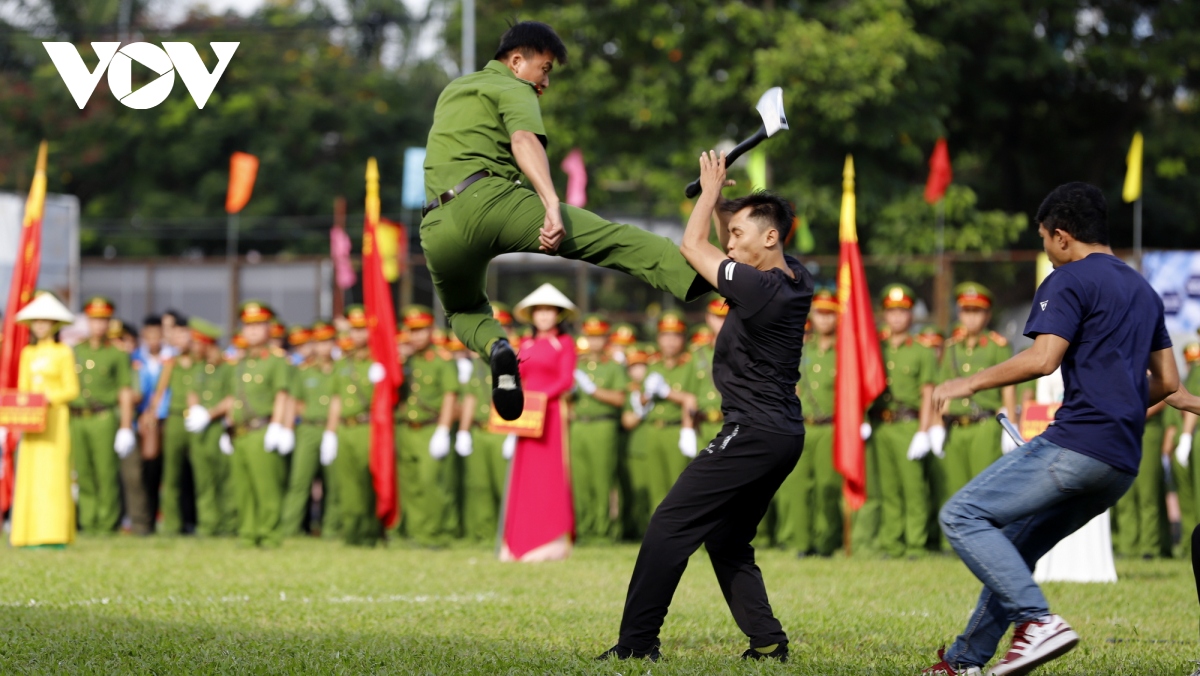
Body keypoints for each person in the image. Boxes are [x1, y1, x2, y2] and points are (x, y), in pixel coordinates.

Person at [924, 183, 1177, 675]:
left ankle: (1037, 622)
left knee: (962, 515)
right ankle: (963, 662)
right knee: (1016, 547)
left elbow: (1043, 360)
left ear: (1061, 236)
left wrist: (970, 381)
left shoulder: (1068, 279)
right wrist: (1122, 404)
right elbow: (1167, 381)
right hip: (1120, 462)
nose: (1046, 249)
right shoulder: (1144, 290)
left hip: (1078, 445)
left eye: (1043, 238)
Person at [420, 21, 709, 422]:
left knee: (463, 312)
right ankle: (704, 274)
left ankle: (498, 349)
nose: (546, 81)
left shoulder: (452, 90)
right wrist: (550, 202)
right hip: (490, 201)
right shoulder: (513, 86)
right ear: (517, 61)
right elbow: (523, 140)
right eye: (546, 68)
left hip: (435, 226)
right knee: (610, 239)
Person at [600, 152, 812, 662]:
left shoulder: (761, 290)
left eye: (740, 233)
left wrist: (712, 193)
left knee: (669, 525)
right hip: (781, 433)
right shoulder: (794, 277)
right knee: (727, 537)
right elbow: (719, 245)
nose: (730, 242)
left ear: (770, 238)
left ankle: (636, 646)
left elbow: (692, 246)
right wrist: (720, 205)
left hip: (754, 430)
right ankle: (767, 641)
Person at [190, 301, 296, 548]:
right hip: (239, 431)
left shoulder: (276, 361)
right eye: (248, 326)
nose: (253, 331)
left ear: (270, 329)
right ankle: (248, 533)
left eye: (258, 325)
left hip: (262, 429)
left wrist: (279, 426)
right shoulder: (237, 363)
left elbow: (282, 395)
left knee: (266, 487)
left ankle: (269, 534)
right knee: (243, 487)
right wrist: (227, 426)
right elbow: (232, 397)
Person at [500, 284, 578, 561]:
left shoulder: (565, 344)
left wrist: (539, 398)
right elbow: (516, 377)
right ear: (532, 315)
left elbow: (565, 379)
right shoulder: (526, 344)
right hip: (527, 417)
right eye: (539, 311)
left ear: (558, 315)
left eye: (549, 311)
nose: (544, 316)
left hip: (552, 415)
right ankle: (517, 540)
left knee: (549, 474)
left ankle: (550, 538)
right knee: (525, 474)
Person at [934, 283, 1016, 531]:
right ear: (959, 313)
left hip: (984, 426)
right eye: (966, 310)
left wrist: (1010, 425)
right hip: (956, 427)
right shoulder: (951, 348)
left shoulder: (996, 346)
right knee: (955, 487)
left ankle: (987, 535)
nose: (971, 317)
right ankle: (956, 538)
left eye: (977, 311)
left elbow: (1008, 388)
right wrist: (937, 427)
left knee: (985, 487)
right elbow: (943, 389)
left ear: (987, 314)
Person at [866, 283, 937, 558]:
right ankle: (891, 542)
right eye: (891, 311)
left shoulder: (921, 350)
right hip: (881, 424)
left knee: (913, 487)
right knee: (888, 488)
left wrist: (924, 430)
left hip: (909, 425)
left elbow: (928, 392)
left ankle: (915, 543)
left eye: (902, 311)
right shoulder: (876, 347)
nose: (897, 317)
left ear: (911, 315)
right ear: (884, 314)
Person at [774, 287, 841, 558]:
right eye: (820, 313)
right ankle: (801, 543)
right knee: (798, 485)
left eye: (829, 314)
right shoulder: (800, 348)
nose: (824, 319)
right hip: (800, 425)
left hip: (830, 427)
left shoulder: (844, 351)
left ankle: (826, 543)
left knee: (827, 485)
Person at [10, 292, 80, 548]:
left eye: (45, 321)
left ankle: (54, 533)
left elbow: (71, 389)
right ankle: (27, 534)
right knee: (30, 472)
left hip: (54, 419)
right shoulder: (28, 353)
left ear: (54, 325)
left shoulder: (63, 352)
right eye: (36, 321)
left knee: (54, 473)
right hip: (32, 421)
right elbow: (22, 388)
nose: (40, 326)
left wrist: (49, 398)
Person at [394, 305, 460, 545]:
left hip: (430, 428)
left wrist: (443, 430)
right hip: (406, 428)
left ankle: (435, 532)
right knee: (410, 483)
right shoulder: (406, 360)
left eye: (421, 330)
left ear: (431, 330)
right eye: (412, 331)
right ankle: (415, 531)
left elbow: (450, 396)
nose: (417, 336)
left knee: (430, 482)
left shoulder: (442, 360)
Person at [70, 296, 135, 535]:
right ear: (87, 321)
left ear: (109, 323)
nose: (98, 325)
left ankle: (107, 522)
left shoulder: (117, 354)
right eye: (94, 320)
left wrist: (126, 427)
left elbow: (125, 392)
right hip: (77, 417)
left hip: (102, 417)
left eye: (103, 320)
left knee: (105, 472)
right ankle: (88, 521)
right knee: (83, 472)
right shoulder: (76, 351)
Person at [570, 314, 629, 543]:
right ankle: (584, 529)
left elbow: (619, 398)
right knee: (580, 480)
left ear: (606, 339)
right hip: (579, 425)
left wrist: (593, 390)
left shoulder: (613, 367)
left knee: (602, 479)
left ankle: (603, 531)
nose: (594, 342)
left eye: (599, 337)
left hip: (603, 424)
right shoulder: (576, 364)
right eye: (590, 337)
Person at [328, 309, 382, 547]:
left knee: (369, 483)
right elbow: (336, 400)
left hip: (368, 428)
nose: (357, 334)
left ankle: (371, 533)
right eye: (354, 328)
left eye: (362, 328)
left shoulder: (378, 361)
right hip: (345, 430)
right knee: (348, 485)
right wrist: (330, 432)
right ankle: (351, 534)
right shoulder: (343, 363)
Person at [639, 311, 698, 517]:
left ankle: (681, 531)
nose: (670, 341)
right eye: (665, 335)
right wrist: (646, 393)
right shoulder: (653, 364)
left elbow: (692, 398)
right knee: (656, 484)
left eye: (676, 336)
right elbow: (642, 400)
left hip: (676, 428)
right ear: (658, 338)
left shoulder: (690, 364)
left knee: (678, 485)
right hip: (653, 428)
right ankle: (657, 533)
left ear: (683, 338)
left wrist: (667, 392)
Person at [282, 321, 339, 537]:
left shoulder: (340, 368)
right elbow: (294, 400)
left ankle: (331, 530)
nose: (323, 347)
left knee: (334, 484)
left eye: (327, 342)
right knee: (299, 482)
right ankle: (290, 529)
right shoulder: (304, 370)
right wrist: (287, 428)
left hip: (334, 430)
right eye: (318, 342)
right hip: (308, 429)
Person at [183, 318, 234, 536]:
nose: (193, 348)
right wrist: (195, 410)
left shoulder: (228, 368)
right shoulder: (198, 367)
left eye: (196, 343)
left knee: (225, 479)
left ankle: (228, 524)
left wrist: (210, 414)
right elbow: (192, 391)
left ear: (206, 343)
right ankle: (207, 524)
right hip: (200, 430)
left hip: (218, 428)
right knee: (203, 480)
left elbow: (232, 397)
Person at [147, 314, 195, 535]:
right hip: (175, 418)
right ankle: (172, 523)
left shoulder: (200, 362)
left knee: (198, 473)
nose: (180, 338)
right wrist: (152, 412)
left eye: (183, 334)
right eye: (176, 334)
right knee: (171, 474)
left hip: (197, 420)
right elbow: (160, 390)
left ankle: (199, 521)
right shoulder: (171, 362)